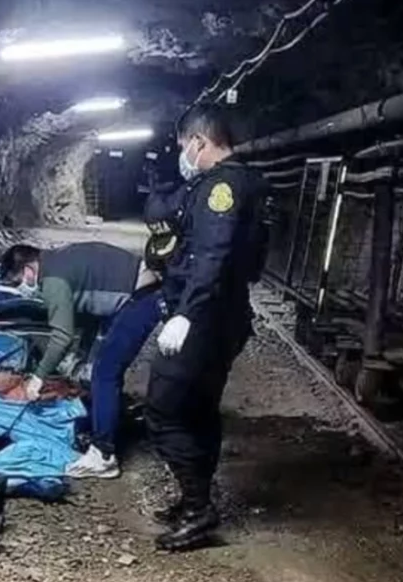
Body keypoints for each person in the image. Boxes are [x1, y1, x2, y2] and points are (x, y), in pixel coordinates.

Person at [145, 104, 269, 551]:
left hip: (206, 318)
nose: (182, 154)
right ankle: (193, 499)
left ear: (198, 142)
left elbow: (211, 255)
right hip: (224, 315)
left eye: (183, 145)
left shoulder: (222, 188)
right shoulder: (238, 181)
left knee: (162, 409)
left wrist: (186, 313)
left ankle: (199, 509)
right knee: (199, 408)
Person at [0, 239, 176, 479]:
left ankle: (104, 455)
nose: (21, 288)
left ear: (29, 269)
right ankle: (104, 422)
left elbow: (61, 336)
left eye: (18, 281)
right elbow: (90, 310)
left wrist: (38, 377)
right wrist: (83, 353)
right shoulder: (57, 260)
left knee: (105, 372)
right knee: (98, 366)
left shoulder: (52, 280)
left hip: (143, 296)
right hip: (137, 290)